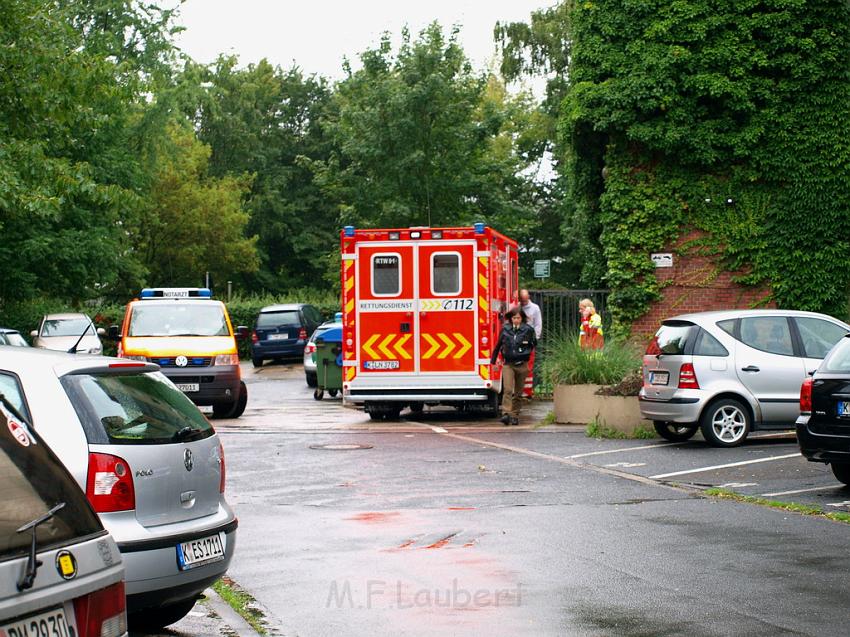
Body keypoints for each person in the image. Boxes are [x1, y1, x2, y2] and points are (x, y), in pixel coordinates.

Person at [491, 307, 537, 425]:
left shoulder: (528, 330)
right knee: (507, 389)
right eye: (514, 318)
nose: (516, 320)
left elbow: (533, 344)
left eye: (518, 318)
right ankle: (506, 413)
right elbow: (498, 346)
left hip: (522, 364)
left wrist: (525, 353)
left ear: (522, 318)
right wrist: (493, 362)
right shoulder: (505, 329)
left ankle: (515, 414)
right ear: (510, 319)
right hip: (508, 364)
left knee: (518, 392)